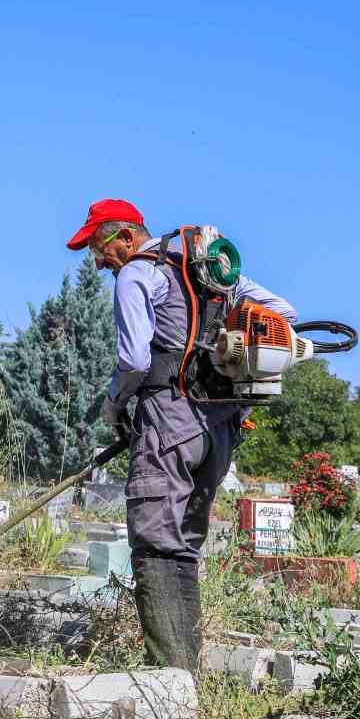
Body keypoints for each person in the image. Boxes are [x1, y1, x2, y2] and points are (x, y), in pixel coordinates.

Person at [66, 198, 296, 670]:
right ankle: (185, 673)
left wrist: (113, 407)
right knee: (184, 547)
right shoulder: (209, 271)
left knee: (155, 542)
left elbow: (134, 360)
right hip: (218, 427)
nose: (97, 260)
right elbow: (282, 312)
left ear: (125, 238)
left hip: (169, 421)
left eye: (97, 247)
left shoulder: (136, 274)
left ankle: (168, 679)